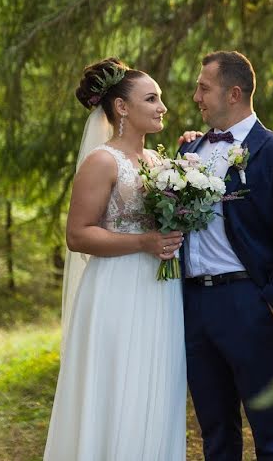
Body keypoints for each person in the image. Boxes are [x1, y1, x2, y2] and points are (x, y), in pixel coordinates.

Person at [44, 57, 187, 461]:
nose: (162, 106)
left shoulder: (160, 163)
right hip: (117, 290)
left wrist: (190, 155)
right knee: (118, 384)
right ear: (122, 107)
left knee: (155, 384)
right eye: (151, 98)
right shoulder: (103, 161)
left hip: (161, 291)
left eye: (160, 98)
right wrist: (143, 242)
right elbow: (77, 234)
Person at [179, 51, 273, 461]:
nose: (196, 97)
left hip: (249, 303)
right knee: (215, 428)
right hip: (195, 305)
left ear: (234, 93)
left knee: (269, 424)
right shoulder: (191, 152)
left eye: (204, 88)